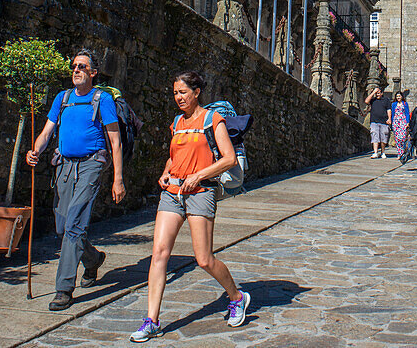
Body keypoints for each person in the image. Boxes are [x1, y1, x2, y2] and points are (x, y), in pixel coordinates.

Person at [130, 72, 250, 342]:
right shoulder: (177, 122)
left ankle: (237, 296)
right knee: (159, 254)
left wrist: (199, 175)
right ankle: (151, 320)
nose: (178, 98)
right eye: (175, 93)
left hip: (200, 192)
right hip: (172, 193)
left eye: (183, 92)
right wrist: (165, 172)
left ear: (196, 92)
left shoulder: (212, 119)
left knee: (204, 259)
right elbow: (175, 156)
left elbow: (229, 158)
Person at [26, 49, 125, 311]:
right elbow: (47, 132)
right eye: (74, 66)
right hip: (65, 167)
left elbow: (115, 141)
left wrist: (118, 179)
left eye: (82, 66)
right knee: (63, 226)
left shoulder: (102, 99)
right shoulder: (63, 97)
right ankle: (92, 260)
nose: (76, 70)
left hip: (92, 165)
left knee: (73, 226)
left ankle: (64, 289)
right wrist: (35, 151)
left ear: (93, 73)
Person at [364, 86, 392, 158]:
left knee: (384, 137)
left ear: (382, 93)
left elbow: (389, 110)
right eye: (376, 93)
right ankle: (375, 152)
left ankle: (383, 152)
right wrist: (373, 92)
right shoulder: (373, 100)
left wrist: (389, 118)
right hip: (374, 121)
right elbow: (366, 101)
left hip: (383, 121)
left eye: (379, 93)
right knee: (374, 136)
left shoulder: (386, 100)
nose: (377, 95)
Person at [391, 91, 412, 162]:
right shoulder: (394, 104)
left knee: (402, 138)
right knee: (397, 139)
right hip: (396, 122)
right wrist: (392, 122)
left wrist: (408, 122)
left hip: (403, 122)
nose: (398, 98)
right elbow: (393, 113)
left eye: (399, 96)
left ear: (402, 97)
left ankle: (403, 151)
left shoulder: (405, 104)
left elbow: (407, 113)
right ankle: (399, 153)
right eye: (397, 96)